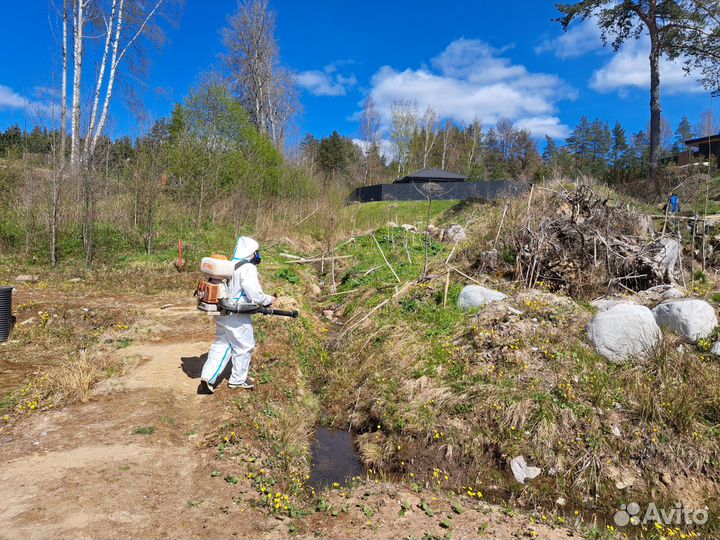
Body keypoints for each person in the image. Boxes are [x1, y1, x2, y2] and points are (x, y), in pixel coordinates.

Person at [200, 236, 274, 393]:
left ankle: (207, 377)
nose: (257, 255)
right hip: (237, 314)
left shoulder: (228, 265)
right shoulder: (247, 268)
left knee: (222, 344)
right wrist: (268, 300)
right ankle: (238, 380)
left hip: (221, 312)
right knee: (243, 347)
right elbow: (255, 294)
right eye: (256, 252)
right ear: (251, 252)